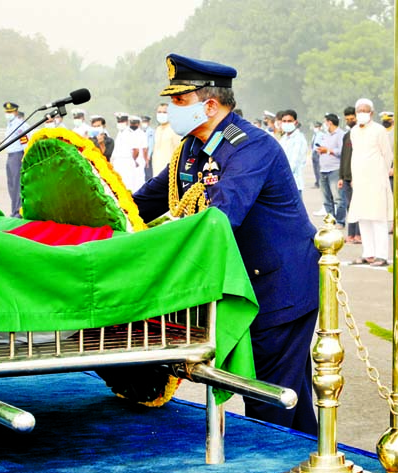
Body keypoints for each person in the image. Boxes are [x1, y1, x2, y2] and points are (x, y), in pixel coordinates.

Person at [133, 53, 319, 435]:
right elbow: (145, 201)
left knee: (268, 394)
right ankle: (314, 460)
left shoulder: (251, 147)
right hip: (246, 284)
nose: (170, 110)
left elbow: (220, 217)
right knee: (288, 393)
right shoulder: (191, 148)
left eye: (179, 101)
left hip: (278, 289)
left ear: (210, 105)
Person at [347, 99, 393, 267]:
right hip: (360, 180)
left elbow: (387, 155)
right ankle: (369, 253)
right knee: (363, 217)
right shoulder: (354, 131)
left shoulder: (379, 130)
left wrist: (381, 173)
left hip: (377, 179)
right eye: (359, 110)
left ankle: (381, 255)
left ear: (371, 113)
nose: (362, 113)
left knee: (378, 218)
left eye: (365, 110)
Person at [313, 113, 345, 223]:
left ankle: (340, 220)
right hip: (323, 169)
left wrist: (327, 150)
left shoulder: (341, 134)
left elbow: (342, 151)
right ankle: (331, 221)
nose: (324, 124)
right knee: (326, 199)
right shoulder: (325, 135)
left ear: (330, 122)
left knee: (338, 198)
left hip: (335, 169)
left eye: (325, 122)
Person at [338, 107, 361, 244]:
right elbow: (344, 157)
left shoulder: (361, 134)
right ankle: (351, 234)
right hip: (346, 177)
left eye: (352, 119)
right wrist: (341, 177)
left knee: (359, 207)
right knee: (350, 207)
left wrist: (355, 176)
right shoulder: (347, 135)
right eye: (347, 119)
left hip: (357, 177)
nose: (349, 121)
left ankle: (358, 234)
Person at [3, 101, 29, 217]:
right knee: (11, 185)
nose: (8, 114)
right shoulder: (10, 124)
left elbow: (24, 141)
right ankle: (14, 210)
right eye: (7, 112)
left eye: (11, 112)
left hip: (18, 155)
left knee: (17, 184)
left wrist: (24, 157)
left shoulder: (19, 125)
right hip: (10, 155)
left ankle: (18, 211)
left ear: (16, 112)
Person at [278, 109, 308, 196]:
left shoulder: (299, 139)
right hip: (282, 183)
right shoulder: (284, 139)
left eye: (289, 121)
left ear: (295, 122)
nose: (286, 123)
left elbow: (294, 163)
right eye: (284, 121)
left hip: (294, 183)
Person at [151, 102, 181, 177]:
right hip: (156, 169)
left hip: (169, 171)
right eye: (159, 112)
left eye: (164, 112)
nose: (161, 114)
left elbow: (179, 151)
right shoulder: (158, 129)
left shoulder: (174, 129)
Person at [141, 115, 155, 181]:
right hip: (141, 155)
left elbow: (151, 144)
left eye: (145, 121)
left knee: (148, 173)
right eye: (143, 121)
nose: (144, 123)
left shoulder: (151, 131)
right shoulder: (140, 131)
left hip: (147, 156)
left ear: (148, 122)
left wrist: (148, 156)